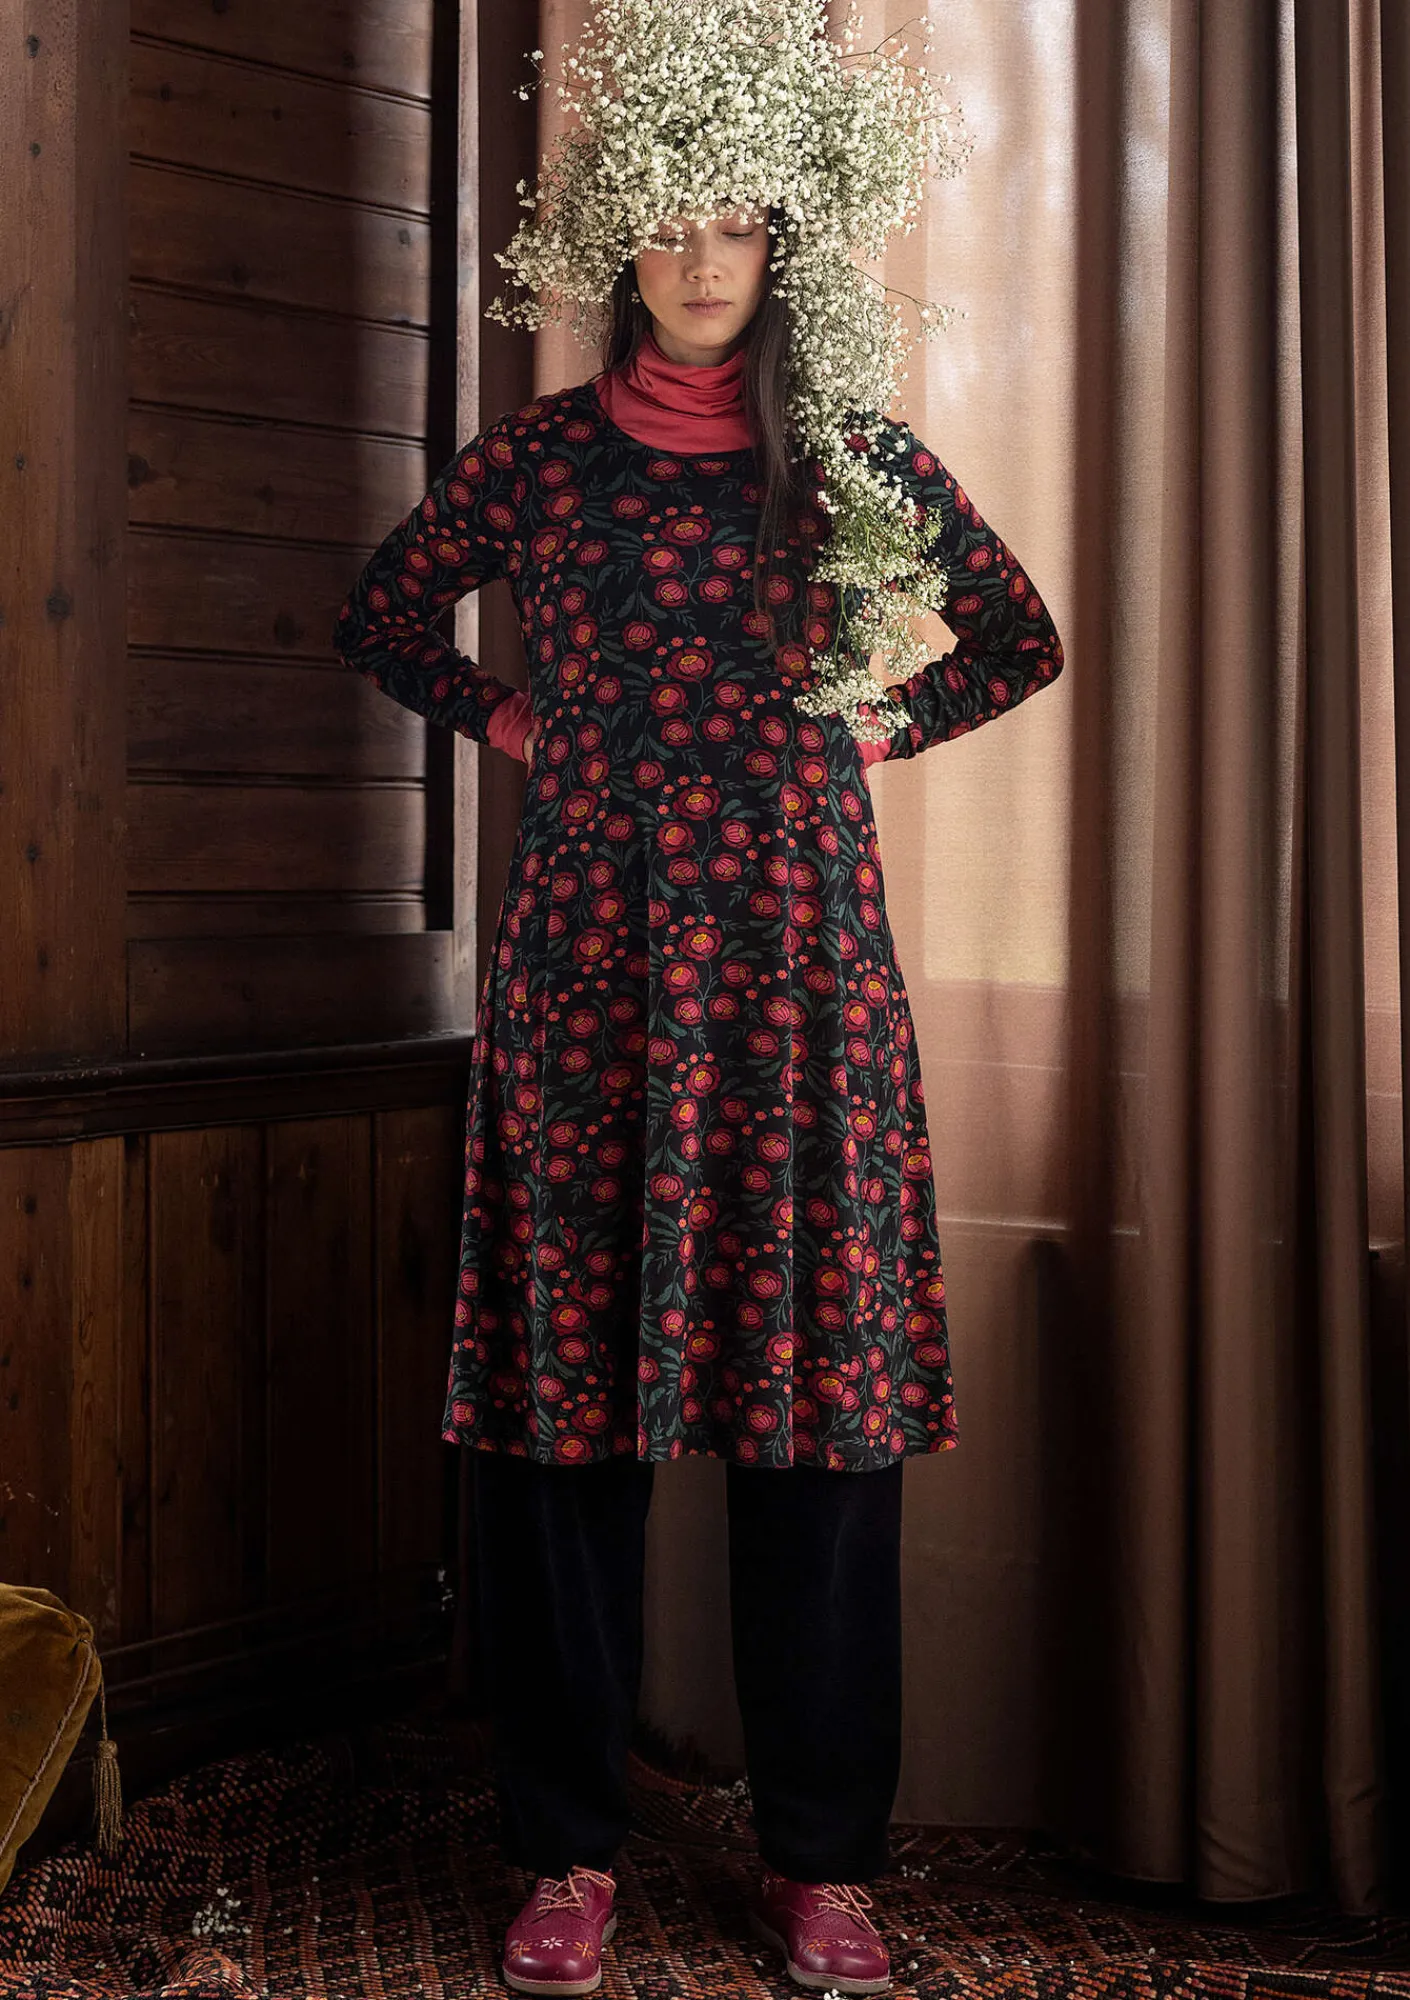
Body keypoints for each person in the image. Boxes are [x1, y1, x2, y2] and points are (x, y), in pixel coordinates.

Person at [332, 8, 1063, 1994]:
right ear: (618, 244)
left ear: (782, 241)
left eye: (737, 223)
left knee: (818, 1430)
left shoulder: (850, 460)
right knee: (562, 1428)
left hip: (802, 995)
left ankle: (821, 1861)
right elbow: (385, 612)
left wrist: (864, 731)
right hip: (586, 985)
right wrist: (515, 721)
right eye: (669, 222)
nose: (702, 257)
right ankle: (565, 1849)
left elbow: (1016, 637)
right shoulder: (540, 463)